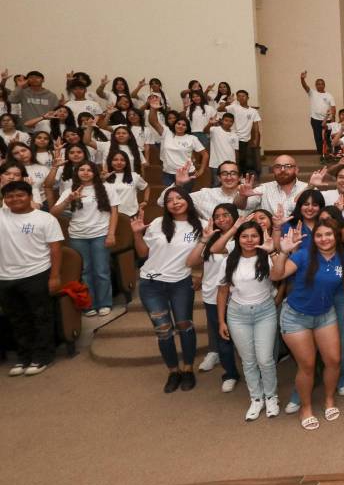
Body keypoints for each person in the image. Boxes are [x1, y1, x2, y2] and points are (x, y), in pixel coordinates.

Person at [270, 220, 344, 430]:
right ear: (314, 238)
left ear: (336, 236)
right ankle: (306, 407)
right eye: (319, 235)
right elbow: (276, 275)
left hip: (325, 314)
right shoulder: (302, 256)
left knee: (334, 360)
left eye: (329, 234)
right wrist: (283, 252)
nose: (324, 239)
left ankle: (329, 400)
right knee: (308, 365)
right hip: (295, 316)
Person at [132, 188, 204, 393]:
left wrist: (202, 275)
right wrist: (137, 235)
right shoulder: (156, 223)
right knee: (163, 330)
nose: (175, 202)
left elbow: (212, 253)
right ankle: (173, 371)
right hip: (151, 284)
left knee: (185, 325)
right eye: (169, 200)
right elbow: (143, 253)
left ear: (188, 200)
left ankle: (188, 369)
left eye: (179, 198)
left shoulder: (202, 226)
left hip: (180, 283)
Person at [216, 219, 281, 420]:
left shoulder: (267, 257)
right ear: (237, 238)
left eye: (254, 236)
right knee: (249, 360)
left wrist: (272, 252)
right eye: (245, 236)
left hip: (265, 312)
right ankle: (256, 398)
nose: (250, 240)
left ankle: (271, 396)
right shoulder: (229, 260)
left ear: (260, 237)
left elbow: (279, 276)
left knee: (265, 358)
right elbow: (222, 291)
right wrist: (221, 321)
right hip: (237, 314)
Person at [0, 181, 63, 377]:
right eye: (9, 196)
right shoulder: (1, 216)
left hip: (37, 273)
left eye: (20, 195)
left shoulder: (45, 219)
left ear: (30, 196)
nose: (14, 199)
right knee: (17, 319)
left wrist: (54, 276)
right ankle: (24, 357)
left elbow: (56, 249)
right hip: (6, 276)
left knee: (40, 317)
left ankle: (42, 356)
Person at [185, 203, 241, 391]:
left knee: (239, 337)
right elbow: (191, 262)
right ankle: (230, 373)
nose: (221, 219)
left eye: (226, 215)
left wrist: (234, 229)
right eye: (217, 216)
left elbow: (219, 250)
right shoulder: (211, 239)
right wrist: (204, 239)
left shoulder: (242, 237)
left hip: (236, 296)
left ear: (235, 216)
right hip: (211, 295)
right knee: (222, 336)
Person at [50, 160, 116, 317]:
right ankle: (89, 305)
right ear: (76, 172)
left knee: (101, 270)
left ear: (95, 173)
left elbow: (114, 212)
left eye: (89, 170)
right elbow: (53, 213)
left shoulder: (107, 188)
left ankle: (104, 303)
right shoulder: (69, 190)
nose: (85, 172)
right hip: (77, 236)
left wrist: (111, 234)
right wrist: (68, 200)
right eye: (82, 170)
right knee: (85, 272)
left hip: (100, 234)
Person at [300, 71, 336, 154]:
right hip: (315, 120)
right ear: (316, 85)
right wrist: (302, 79)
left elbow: (333, 108)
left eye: (321, 84)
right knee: (318, 137)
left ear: (324, 85)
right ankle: (321, 154)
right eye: (318, 84)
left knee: (327, 137)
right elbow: (305, 87)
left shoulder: (329, 95)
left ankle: (329, 153)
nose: (320, 85)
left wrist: (333, 120)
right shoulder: (312, 93)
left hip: (327, 120)